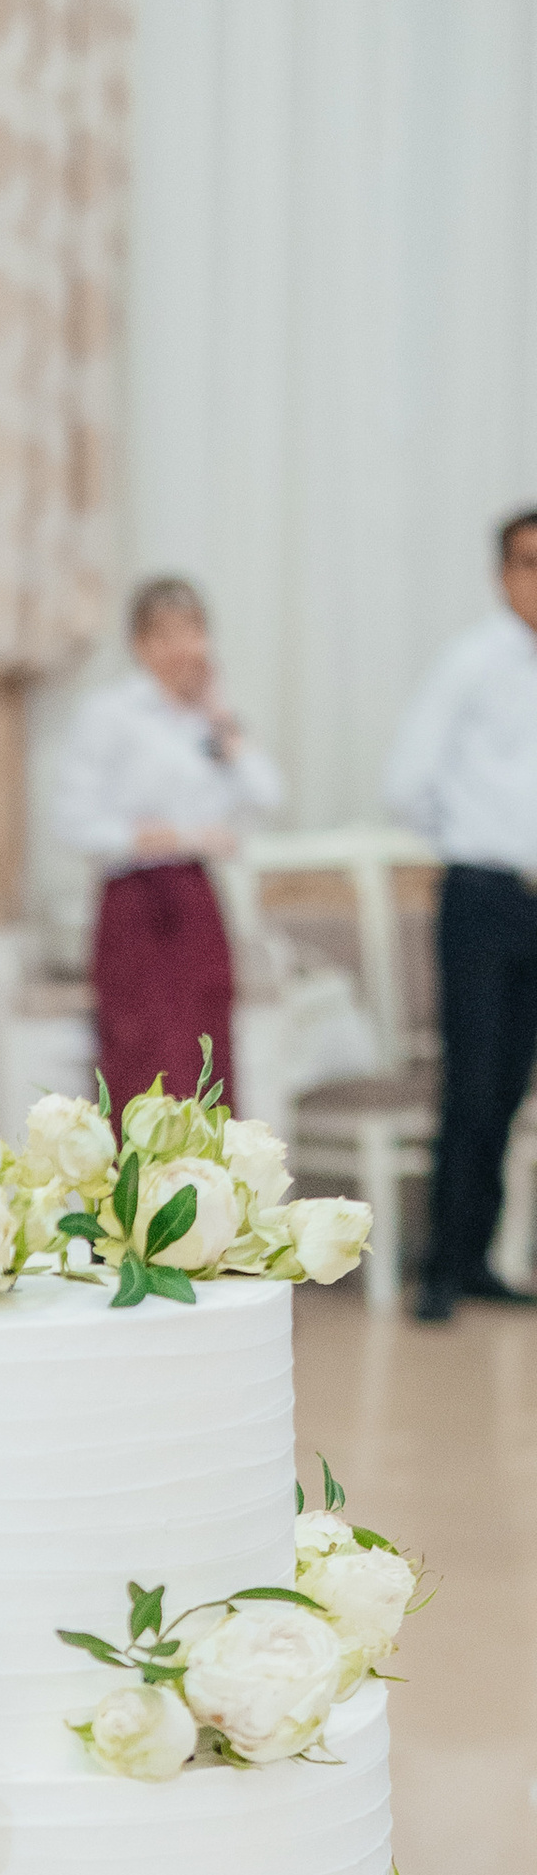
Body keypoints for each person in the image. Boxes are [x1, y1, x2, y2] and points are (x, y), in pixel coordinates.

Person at [52, 572, 283, 1126]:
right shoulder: (110, 715)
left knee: (204, 1059)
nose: (186, 648)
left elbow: (268, 795)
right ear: (141, 644)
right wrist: (156, 836)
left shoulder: (207, 722)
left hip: (197, 901)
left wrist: (220, 716)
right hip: (134, 902)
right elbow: (71, 819)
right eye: (170, 634)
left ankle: (210, 1200)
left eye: (195, 632)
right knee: (138, 1058)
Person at [383, 505, 537, 1323]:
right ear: (501, 573)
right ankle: (441, 1268)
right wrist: (474, 847)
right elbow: (408, 779)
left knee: (514, 1086)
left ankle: (480, 1258)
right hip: (481, 897)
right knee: (472, 1083)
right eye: (528, 562)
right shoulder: (471, 663)